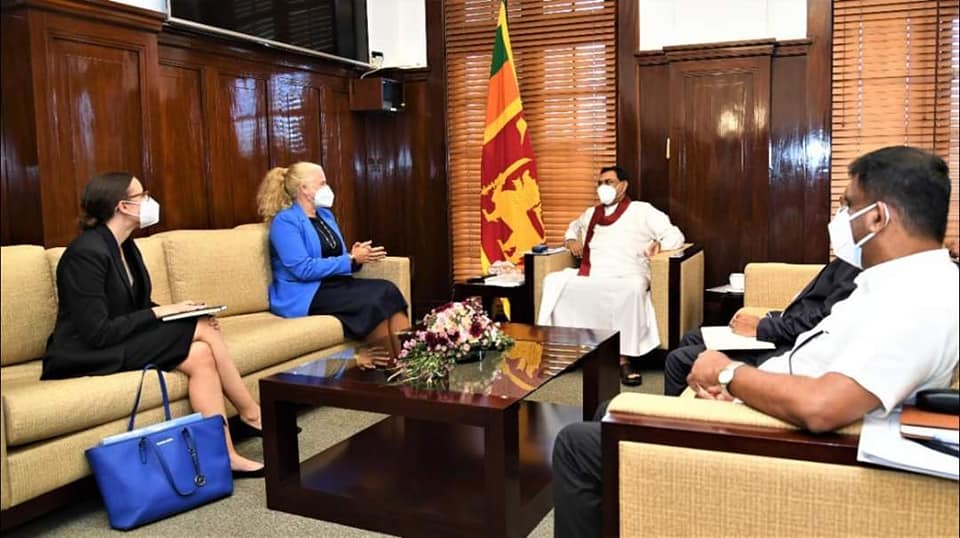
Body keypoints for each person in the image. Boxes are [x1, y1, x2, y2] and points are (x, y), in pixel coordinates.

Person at [552, 146, 959, 538]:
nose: (839, 219)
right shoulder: (893, 283)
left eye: (847, 205)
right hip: (771, 405)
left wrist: (730, 374)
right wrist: (747, 387)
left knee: (576, 444)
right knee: (606, 411)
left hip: (778, 441)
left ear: (877, 218)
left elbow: (822, 408)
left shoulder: (920, 300)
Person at [43, 172, 265, 477]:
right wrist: (164, 314)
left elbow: (138, 306)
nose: (149, 200)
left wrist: (180, 314)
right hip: (86, 351)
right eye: (143, 195)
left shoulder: (126, 246)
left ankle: (224, 455)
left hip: (117, 338)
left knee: (201, 353)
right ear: (123, 206)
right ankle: (251, 413)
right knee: (202, 329)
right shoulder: (85, 253)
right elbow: (98, 332)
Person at [537, 166, 684, 386]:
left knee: (633, 289)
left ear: (623, 186)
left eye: (609, 182)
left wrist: (658, 244)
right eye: (600, 183)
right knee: (553, 282)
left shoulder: (642, 210)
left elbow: (675, 235)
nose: (603, 187)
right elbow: (573, 228)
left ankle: (623, 359)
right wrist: (571, 240)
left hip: (629, 273)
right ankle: (564, 354)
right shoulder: (591, 213)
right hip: (593, 272)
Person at [256, 162, 409, 356]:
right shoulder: (285, 221)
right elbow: (302, 269)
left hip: (334, 284)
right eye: (322, 183)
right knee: (372, 300)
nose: (327, 188)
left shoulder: (325, 215)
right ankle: (390, 366)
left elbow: (339, 257)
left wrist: (356, 257)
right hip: (305, 292)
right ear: (304, 188)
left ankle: (409, 362)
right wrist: (350, 259)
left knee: (388, 289)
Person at [663, 258, 860, 396]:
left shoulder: (859, 266)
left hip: (790, 347)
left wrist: (763, 327)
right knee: (692, 337)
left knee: (677, 360)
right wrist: (772, 316)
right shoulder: (849, 257)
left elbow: (824, 320)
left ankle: (679, 425)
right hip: (786, 331)